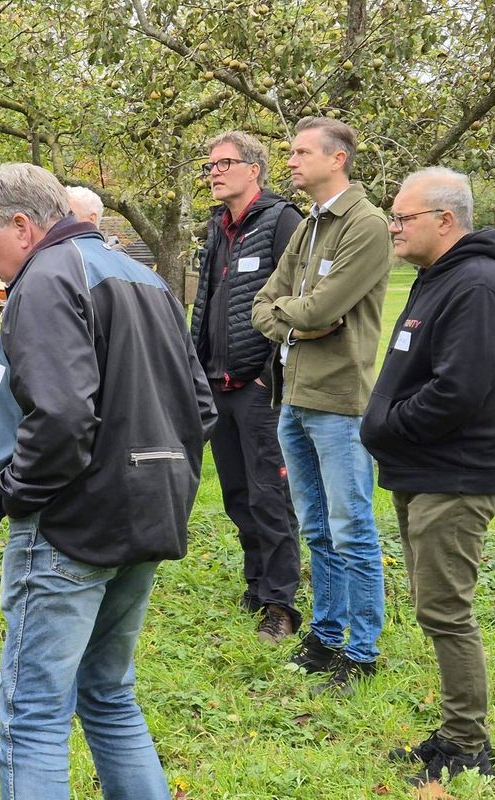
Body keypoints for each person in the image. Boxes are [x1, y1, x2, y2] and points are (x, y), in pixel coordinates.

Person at [0, 163, 215, 800]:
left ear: (22, 227)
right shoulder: (145, 277)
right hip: (149, 512)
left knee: (33, 712)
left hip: (70, 525)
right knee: (108, 693)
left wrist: (18, 491)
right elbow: (202, 406)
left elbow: (60, 413)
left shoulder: (48, 279)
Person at [360, 167, 495, 787]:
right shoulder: (437, 279)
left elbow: (459, 391)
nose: (394, 227)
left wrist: (389, 424)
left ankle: (466, 745)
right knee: (437, 606)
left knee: (446, 611)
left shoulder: (476, 285)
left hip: (455, 476)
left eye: (403, 218)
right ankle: (458, 731)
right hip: (423, 471)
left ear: (445, 220)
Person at [253, 117, 391, 695]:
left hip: (339, 402)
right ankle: (327, 635)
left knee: (351, 525)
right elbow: (267, 306)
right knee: (315, 526)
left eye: (301, 152)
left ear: (337, 159)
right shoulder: (306, 227)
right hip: (294, 396)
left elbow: (321, 310)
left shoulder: (367, 225)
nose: (290, 161)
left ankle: (361, 651)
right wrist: (293, 323)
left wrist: (294, 318)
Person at [190, 131, 303, 643]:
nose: (213, 172)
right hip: (218, 384)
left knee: (270, 494)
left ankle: (281, 603)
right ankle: (257, 584)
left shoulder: (283, 222)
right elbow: (206, 303)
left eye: (225, 163)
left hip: (260, 386)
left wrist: (264, 373)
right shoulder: (218, 227)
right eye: (210, 164)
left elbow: (300, 304)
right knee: (237, 493)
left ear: (254, 169)